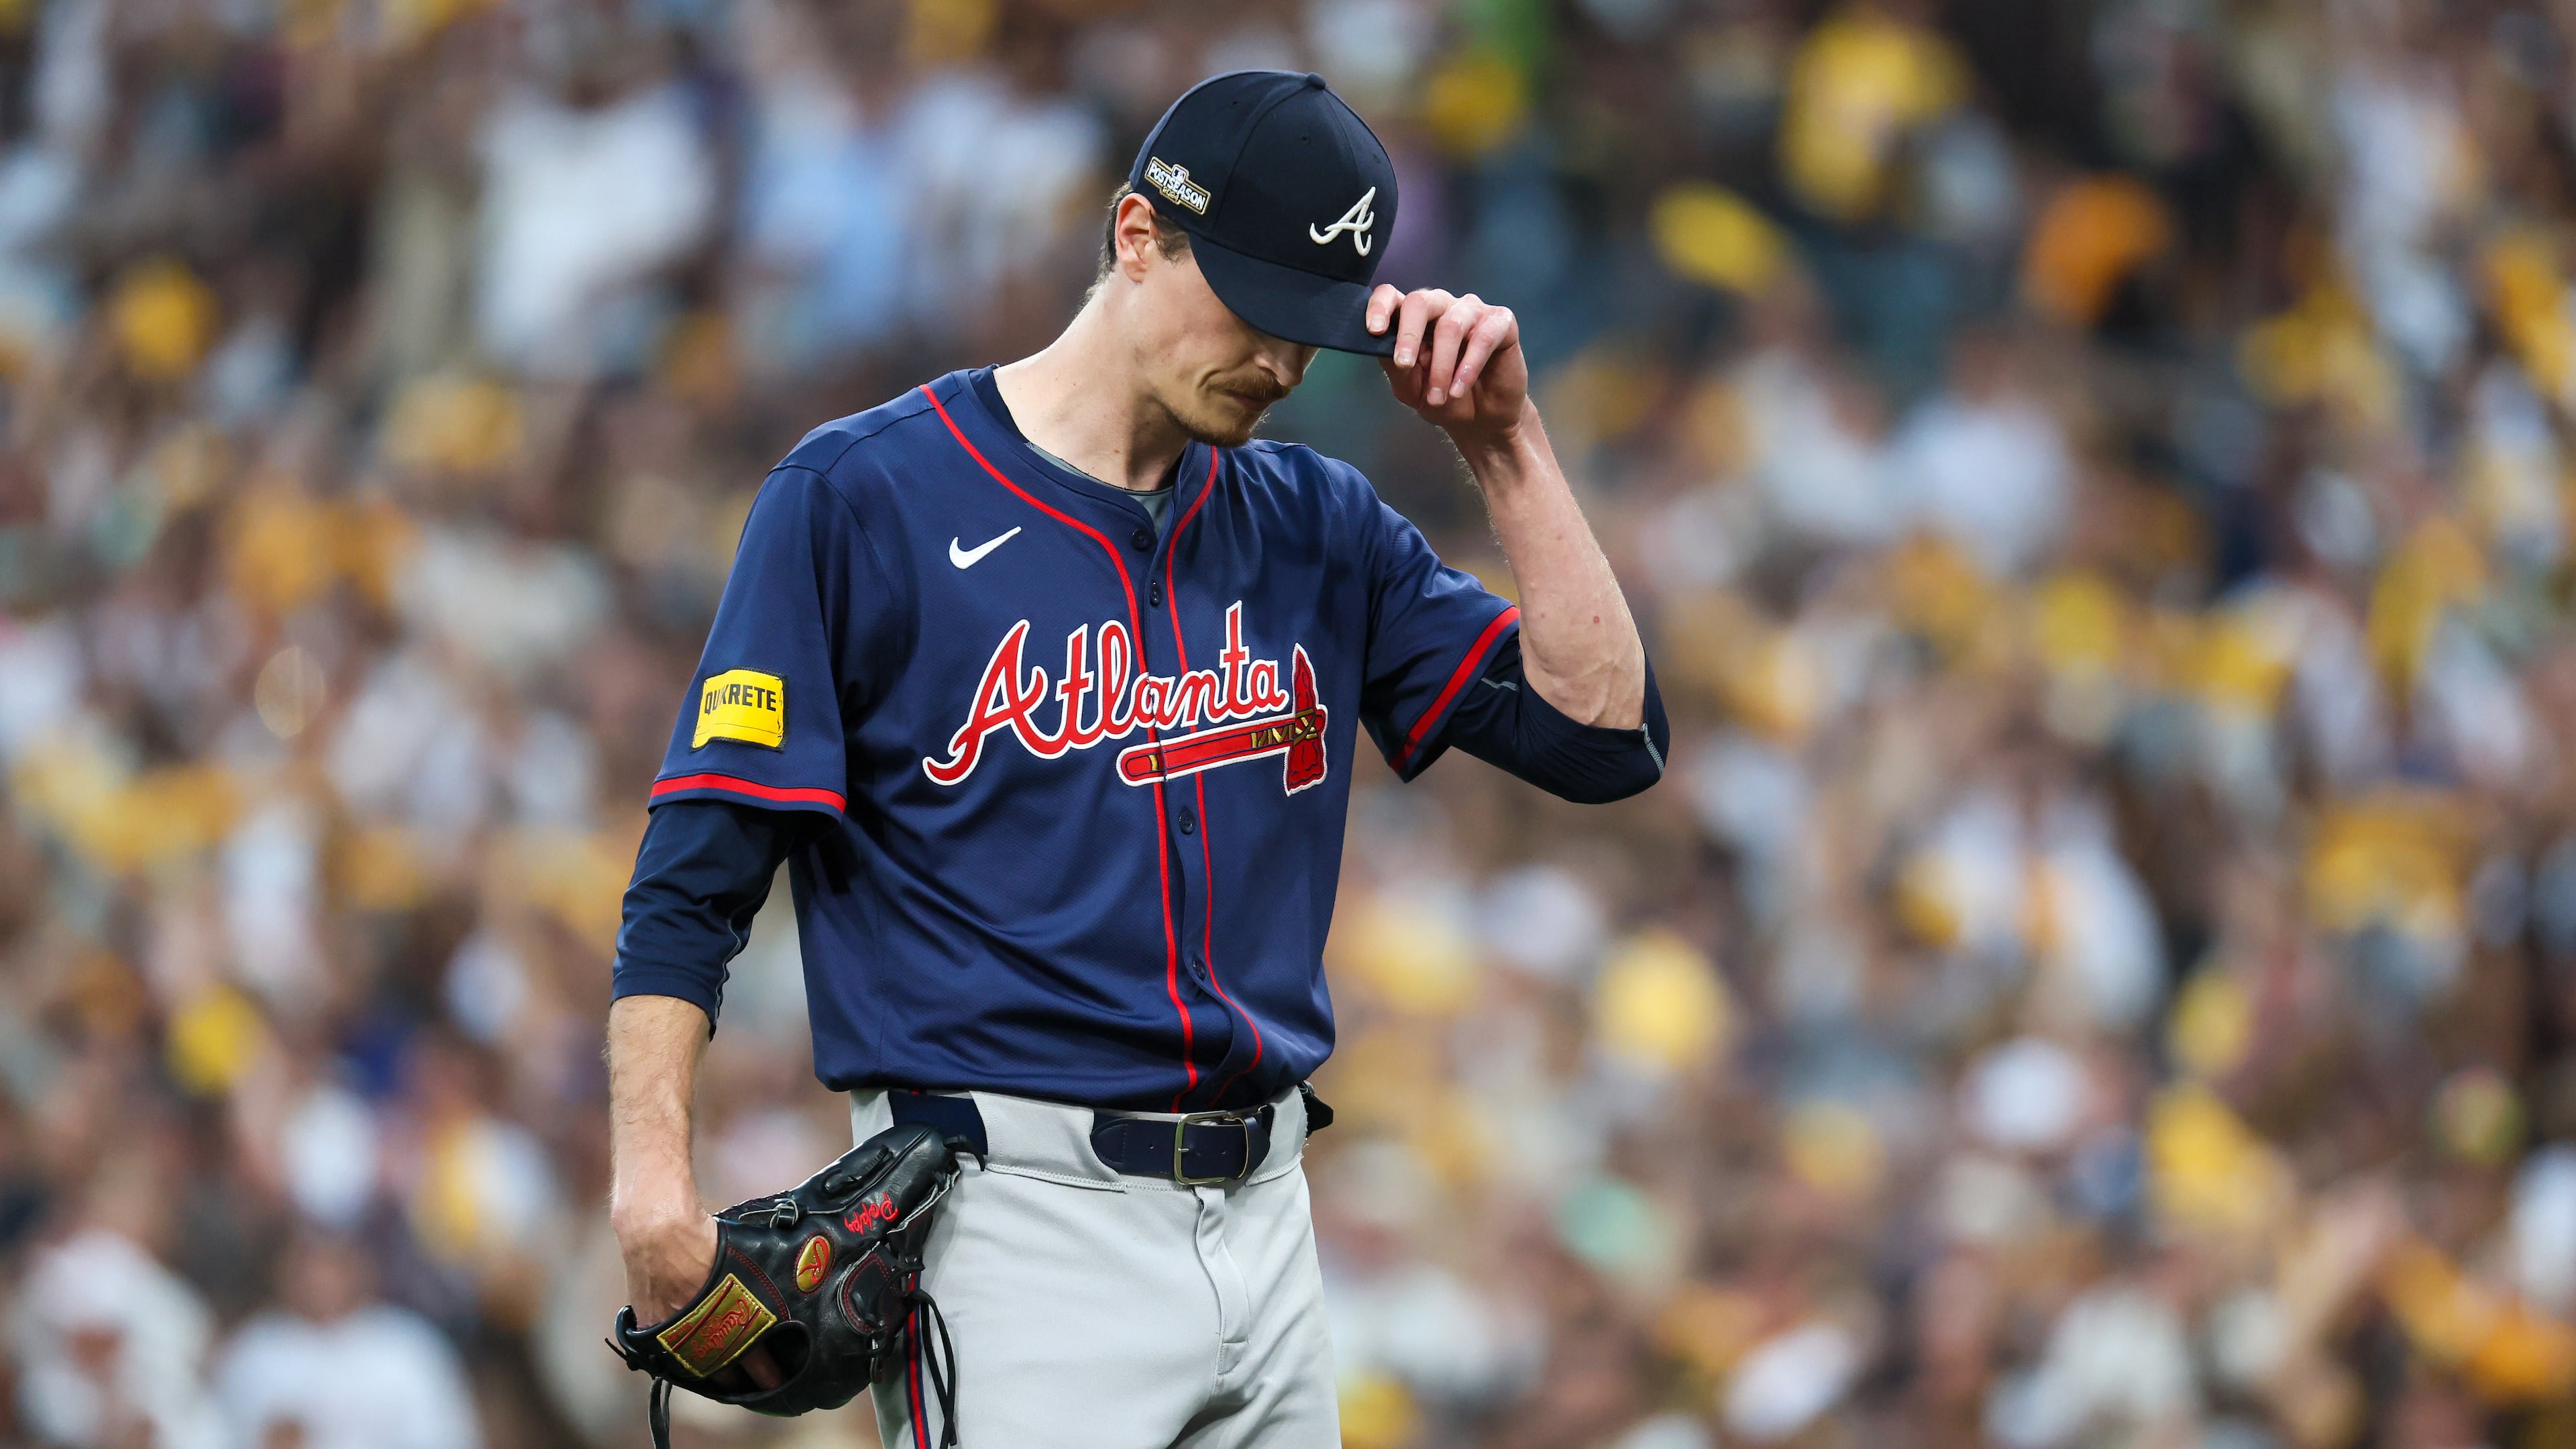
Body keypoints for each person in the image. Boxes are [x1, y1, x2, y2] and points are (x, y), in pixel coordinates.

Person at [606, 70, 1668, 1447]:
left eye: (1315, 330)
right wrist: (651, 1189)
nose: (1283, 363)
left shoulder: (1313, 520)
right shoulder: (863, 497)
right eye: (1257, 310)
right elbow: (697, 870)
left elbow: (1603, 740)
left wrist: (1504, 442)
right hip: (1016, 1234)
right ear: (1136, 236)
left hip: (1273, 1224)